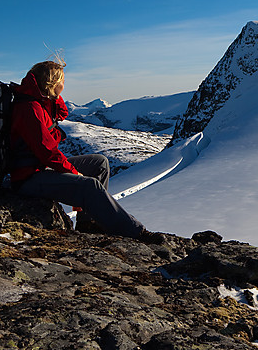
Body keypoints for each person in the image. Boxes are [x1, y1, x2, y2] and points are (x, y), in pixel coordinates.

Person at [8, 60, 158, 241]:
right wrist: (74, 173)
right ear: (52, 82)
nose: (64, 85)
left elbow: (58, 117)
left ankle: (90, 223)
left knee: (99, 163)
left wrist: (54, 97)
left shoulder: (40, 103)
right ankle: (136, 233)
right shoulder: (30, 108)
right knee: (89, 185)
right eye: (61, 80)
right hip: (27, 178)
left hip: (38, 168)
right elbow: (46, 152)